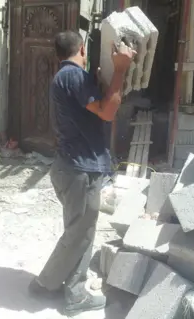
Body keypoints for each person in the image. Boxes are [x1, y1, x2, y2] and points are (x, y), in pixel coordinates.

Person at [28, 30, 136, 315]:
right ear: (83, 49)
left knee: (81, 232)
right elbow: (108, 111)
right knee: (79, 234)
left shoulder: (69, 78)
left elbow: (91, 110)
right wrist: (120, 70)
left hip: (76, 167)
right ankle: (48, 285)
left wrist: (102, 79)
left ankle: (71, 289)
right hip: (78, 168)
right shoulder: (73, 76)